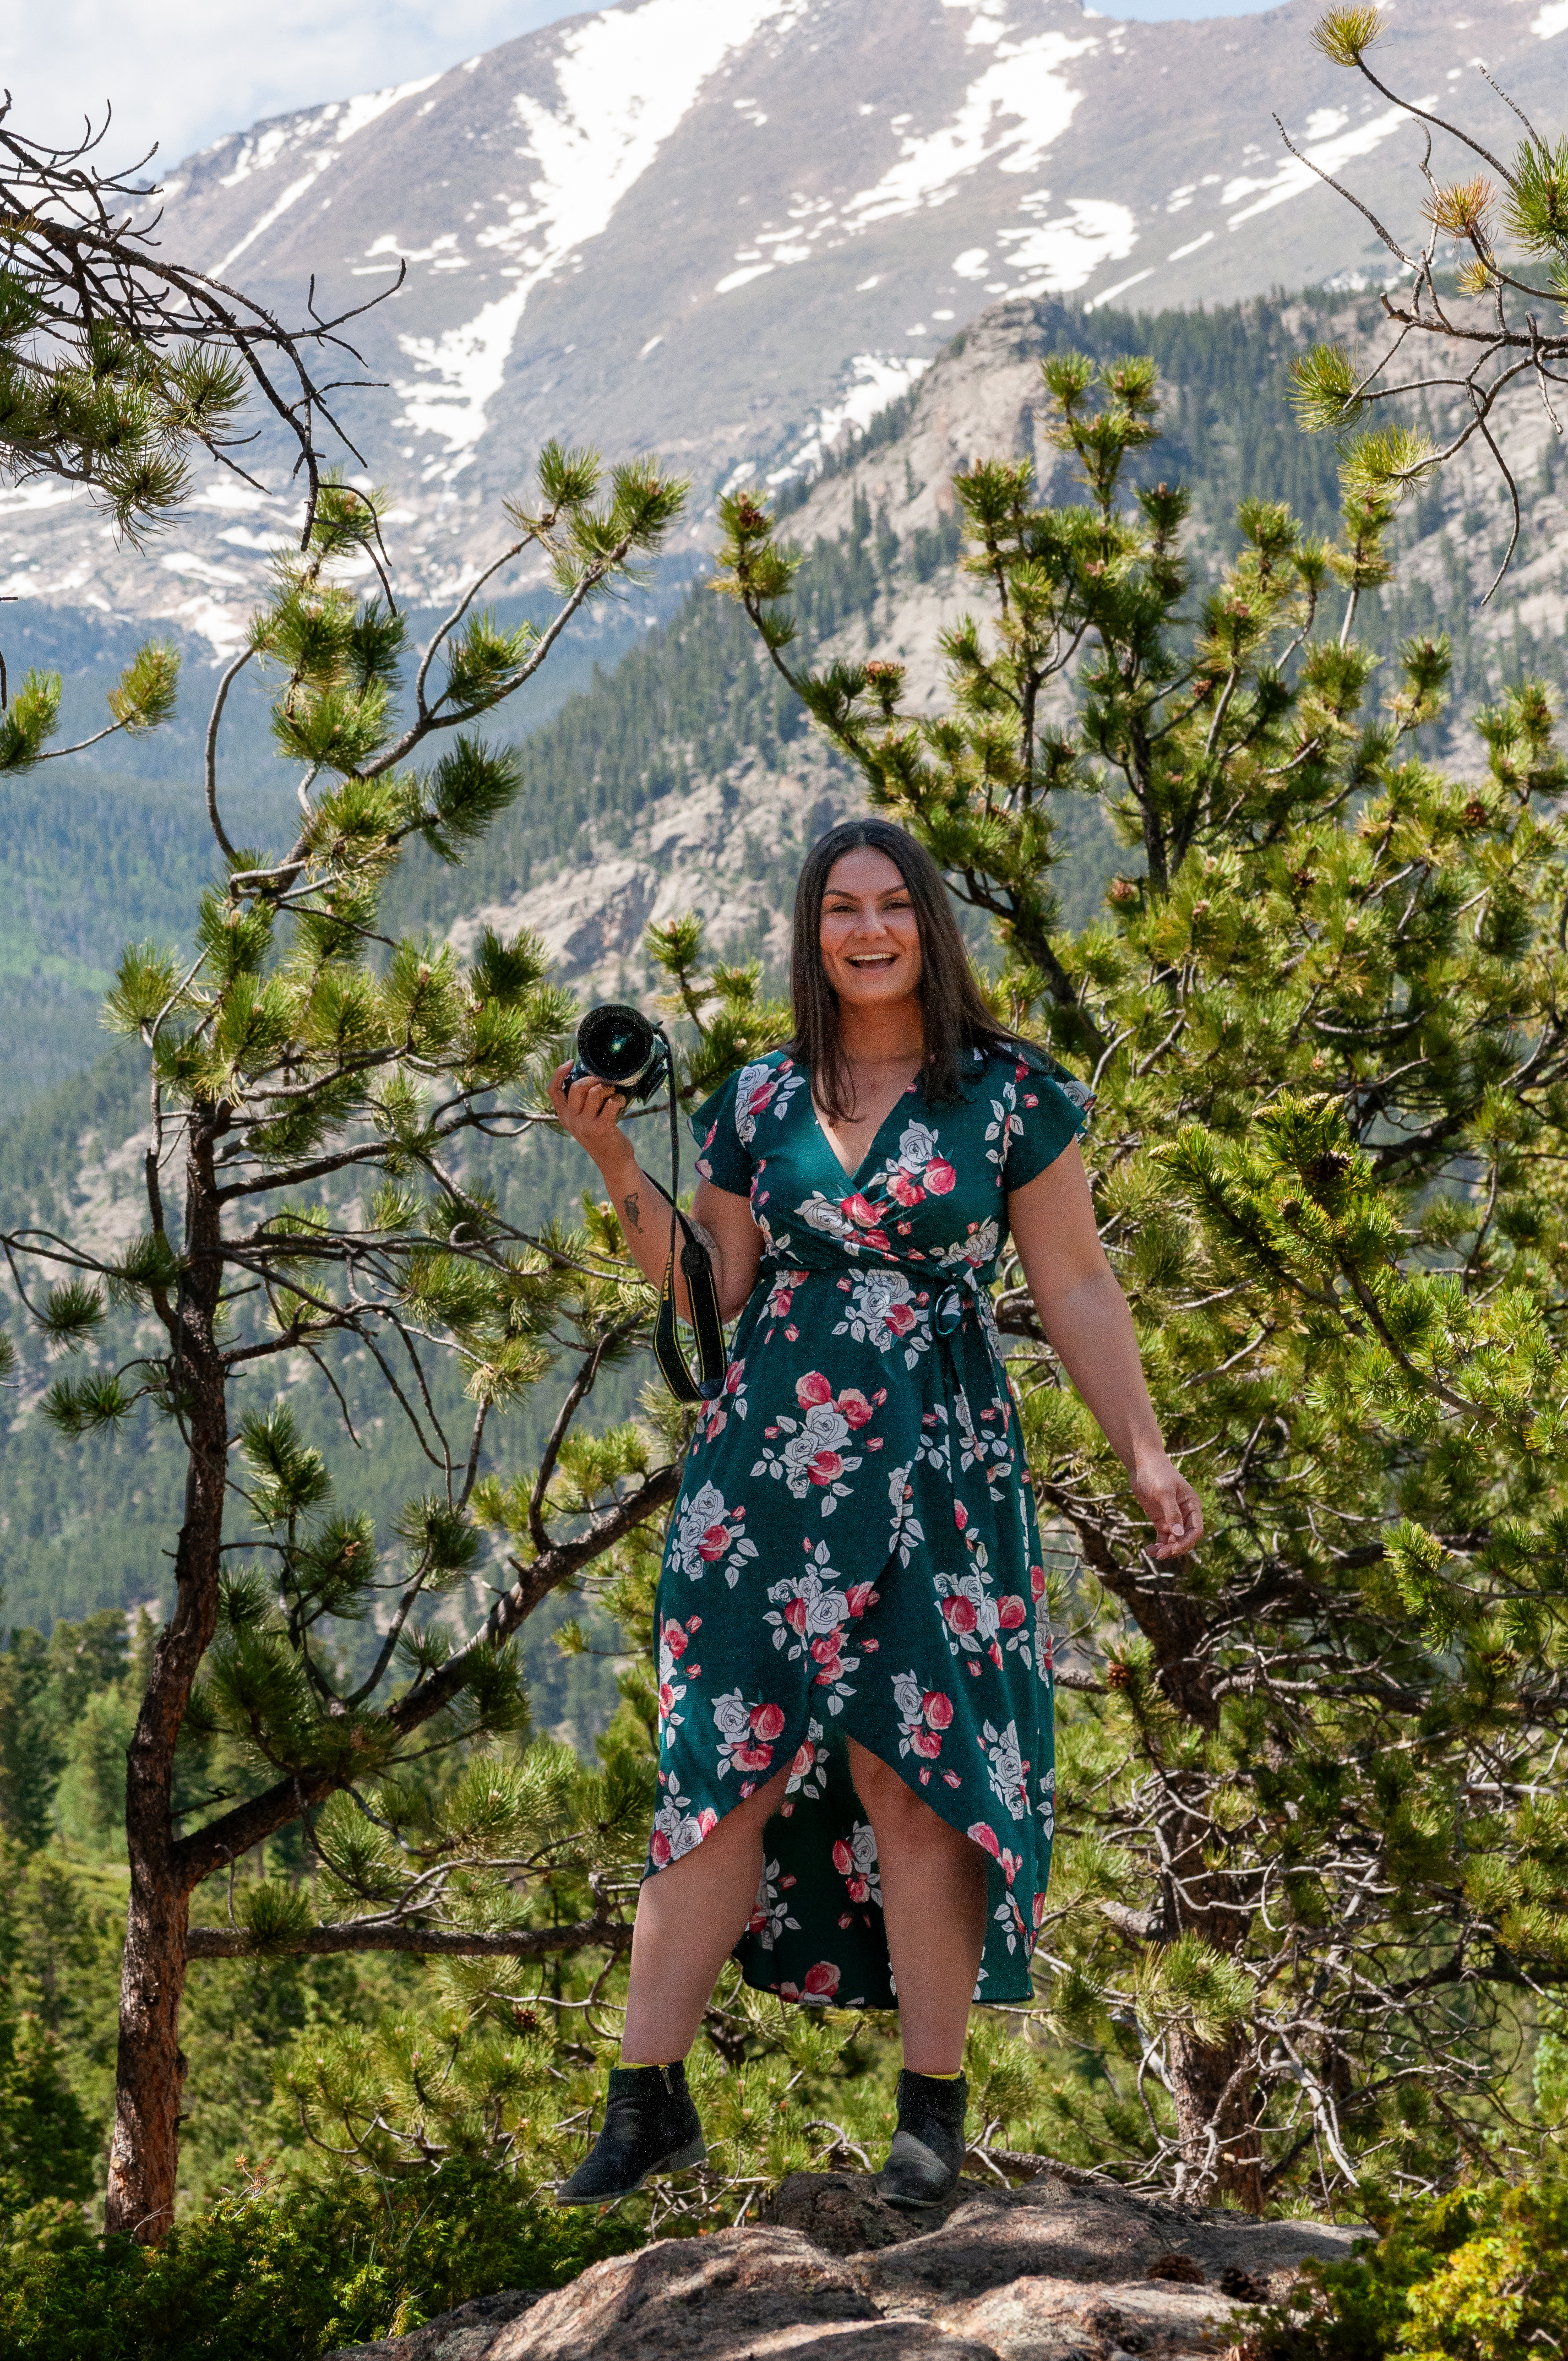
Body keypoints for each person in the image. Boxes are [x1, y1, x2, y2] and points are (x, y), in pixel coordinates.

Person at [549, 818, 1201, 2209]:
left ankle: (929, 2116)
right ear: (811, 929)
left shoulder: (1012, 1094)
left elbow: (1077, 1284)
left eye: (892, 906)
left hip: (937, 1467)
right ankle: (646, 2099)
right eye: (841, 907)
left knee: (916, 1773)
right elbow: (708, 1291)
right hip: (763, 1475)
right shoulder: (758, 1095)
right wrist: (614, 1166)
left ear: (928, 926)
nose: (866, 930)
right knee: (723, 1761)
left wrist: (1143, 1449)